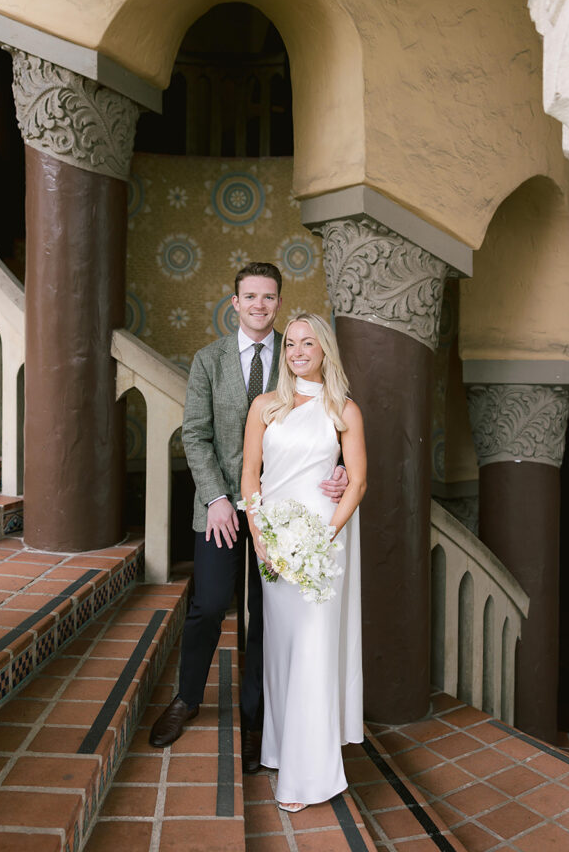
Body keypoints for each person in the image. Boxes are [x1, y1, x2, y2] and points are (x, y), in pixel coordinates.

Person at [149, 264, 348, 773]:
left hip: (282, 514)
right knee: (210, 603)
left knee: (266, 616)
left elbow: (331, 417)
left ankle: (259, 720)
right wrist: (216, 496)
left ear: (279, 303)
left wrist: (341, 470)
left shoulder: (296, 354)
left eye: (269, 297)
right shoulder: (208, 360)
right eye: (250, 296)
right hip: (220, 509)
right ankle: (187, 699)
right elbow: (195, 434)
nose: (260, 305)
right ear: (234, 302)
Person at [241, 312, 367, 811]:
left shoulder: (344, 410)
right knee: (283, 650)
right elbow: (250, 474)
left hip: (321, 546)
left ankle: (308, 777)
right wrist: (259, 535)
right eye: (290, 343)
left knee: (314, 651)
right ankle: (280, 748)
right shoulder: (265, 406)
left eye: (307, 343)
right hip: (272, 542)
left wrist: (321, 538)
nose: (297, 352)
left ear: (324, 351)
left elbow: (355, 481)